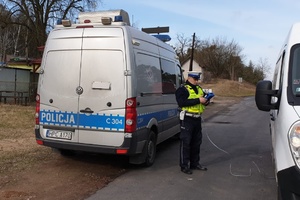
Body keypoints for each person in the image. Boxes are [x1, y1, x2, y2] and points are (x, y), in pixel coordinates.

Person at [175, 71, 209, 175]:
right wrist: (198, 100)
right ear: (189, 78)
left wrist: (206, 100)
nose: (197, 81)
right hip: (187, 119)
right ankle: (184, 165)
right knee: (186, 143)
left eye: (197, 79)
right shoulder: (182, 89)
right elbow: (182, 102)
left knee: (196, 142)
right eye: (195, 79)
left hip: (197, 118)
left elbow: (202, 101)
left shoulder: (199, 89)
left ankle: (195, 163)